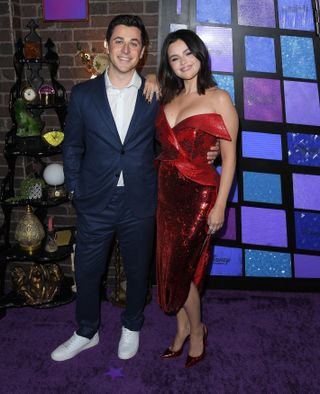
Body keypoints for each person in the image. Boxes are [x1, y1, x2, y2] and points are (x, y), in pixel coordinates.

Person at [51, 15, 219, 363]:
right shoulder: (83, 95)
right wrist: (76, 190)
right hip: (95, 199)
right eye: (119, 41)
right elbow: (72, 147)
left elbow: (175, 140)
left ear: (142, 52)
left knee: (138, 267)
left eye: (133, 43)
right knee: (86, 269)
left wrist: (209, 150)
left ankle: (132, 326)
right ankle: (86, 331)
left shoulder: (157, 93)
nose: (125, 49)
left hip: (141, 199)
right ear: (106, 45)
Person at [156, 29, 238, 368]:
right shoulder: (166, 97)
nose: (183, 62)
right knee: (168, 264)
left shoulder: (219, 97)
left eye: (188, 54)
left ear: (200, 54)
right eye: (175, 58)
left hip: (200, 193)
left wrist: (220, 205)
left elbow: (231, 158)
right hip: (166, 191)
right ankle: (181, 329)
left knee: (183, 270)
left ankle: (198, 332)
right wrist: (151, 77)